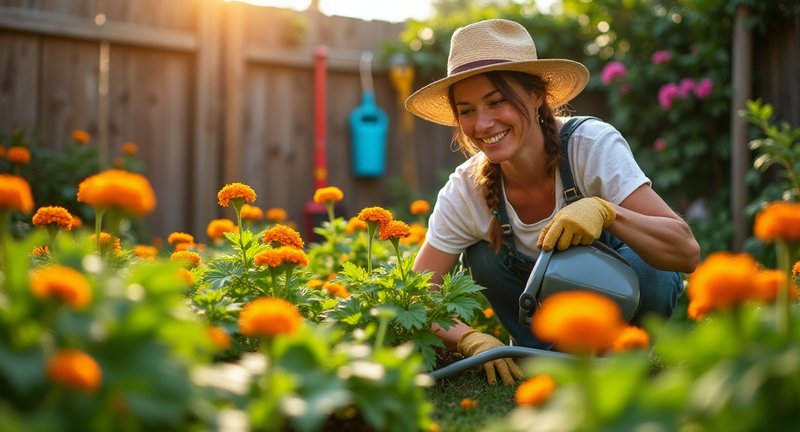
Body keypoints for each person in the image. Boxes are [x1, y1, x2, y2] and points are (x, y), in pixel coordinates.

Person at [406, 18, 700, 385]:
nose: (482, 124)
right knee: (482, 252)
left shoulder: (590, 146)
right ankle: (546, 358)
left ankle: (617, 355)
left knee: (650, 259)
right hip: (539, 334)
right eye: (466, 110)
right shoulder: (464, 190)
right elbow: (413, 296)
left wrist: (608, 213)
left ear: (536, 95)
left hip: (618, 323)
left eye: (496, 102)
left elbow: (685, 252)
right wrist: (467, 338)